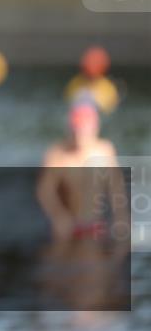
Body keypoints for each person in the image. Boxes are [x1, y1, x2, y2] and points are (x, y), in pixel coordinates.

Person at [37, 103, 128, 242]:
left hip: (95, 223)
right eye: (76, 128)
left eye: (84, 129)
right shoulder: (57, 154)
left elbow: (116, 186)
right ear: (70, 128)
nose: (79, 134)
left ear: (95, 128)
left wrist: (120, 217)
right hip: (66, 223)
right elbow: (44, 191)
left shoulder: (105, 150)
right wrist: (58, 217)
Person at [63, 45, 119, 114]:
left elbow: (109, 110)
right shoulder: (74, 84)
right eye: (87, 62)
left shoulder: (108, 89)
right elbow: (67, 104)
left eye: (94, 63)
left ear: (103, 67)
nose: (90, 65)